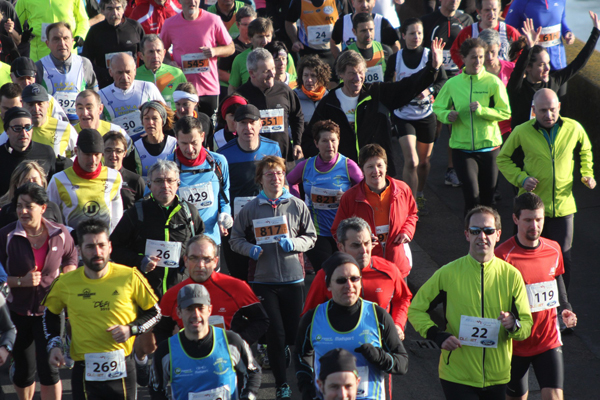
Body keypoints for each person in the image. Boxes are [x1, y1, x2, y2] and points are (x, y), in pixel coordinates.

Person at [408, 205, 533, 400]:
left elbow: (526, 325)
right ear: (467, 235)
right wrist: (437, 335)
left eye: (488, 231)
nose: (482, 236)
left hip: (498, 377)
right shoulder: (448, 273)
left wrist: (513, 324)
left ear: (498, 234)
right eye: (475, 231)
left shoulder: (512, 276)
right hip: (457, 376)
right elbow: (416, 309)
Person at [43, 218, 161, 400]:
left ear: (110, 247)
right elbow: (50, 313)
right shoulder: (65, 283)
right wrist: (54, 345)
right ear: (79, 250)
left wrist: (131, 329)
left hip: (122, 366)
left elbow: (155, 312)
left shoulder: (130, 276)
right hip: (84, 369)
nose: (97, 252)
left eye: (101, 245)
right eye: (90, 247)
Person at [230, 155, 317, 399]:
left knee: (291, 333)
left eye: (279, 173)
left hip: (293, 279)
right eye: (270, 174)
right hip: (263, 281)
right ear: (260, 180)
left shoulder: (297, 205)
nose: (276, 178)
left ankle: (281, 351)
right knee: (276, 335)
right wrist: (250, 249)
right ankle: (281, 384)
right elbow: (235, 239)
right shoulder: (251, 208)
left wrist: (296, 244)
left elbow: (311, 236)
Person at [497, 88, 594, 292]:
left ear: (559, 107)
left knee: (562, 259)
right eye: (542, 110)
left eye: (552, 109)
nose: (548, 115)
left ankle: (562, 307)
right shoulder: (522, 131)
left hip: (563, 207)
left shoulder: (574, 128)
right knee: (524, 257)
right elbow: (502, 158)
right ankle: (520, 299)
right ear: (534, 110)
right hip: (530, 208)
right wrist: (522, 179)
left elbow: (585, 148)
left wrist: (587, 172)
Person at [303, 42, 444, 177]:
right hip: (343, 174)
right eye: (352, 73)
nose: (357, 78)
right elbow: (309, 139)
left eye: (360, 72)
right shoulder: (329, 103)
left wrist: (432, 68)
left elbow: (408, 86)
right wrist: (325, 162)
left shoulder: (377, 93)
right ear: (341, 74)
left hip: (376, 172)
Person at [495, 193, 576, 400]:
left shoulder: (553, 249)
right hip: (516, 344)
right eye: (528, 220)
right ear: (515, 219)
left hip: (548, 339)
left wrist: (565, 307)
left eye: (539, 219)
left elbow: (557, 282)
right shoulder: (502, 255)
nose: (535, 225)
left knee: (555, 396)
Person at [295, 252, 409, 400]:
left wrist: (380, 357)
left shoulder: (378, 316)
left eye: (355, 279)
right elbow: (301, 354)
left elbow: (403, 363)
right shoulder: (313, 318)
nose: (349, 285)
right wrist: (306, 386)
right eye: (341, 280)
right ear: (328, 285)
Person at [0, 183, 77, 400]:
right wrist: (19, 281)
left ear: (43, 207)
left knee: (50, 370)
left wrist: (68, 274)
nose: (22, 211)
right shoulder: (5, 236)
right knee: (24, 372)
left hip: (49, 313)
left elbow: (71, 255)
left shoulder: (59, 233)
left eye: (29, 206)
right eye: (19, 206)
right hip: (17, 313)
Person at [433, 38, 510, 214]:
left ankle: (490, 236)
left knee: (488, 200)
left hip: (489, 147)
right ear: (464, 59)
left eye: (481, 57)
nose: (478, 61)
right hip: (462, 149)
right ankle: (471, 236)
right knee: (472, 198)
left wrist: (483, 111)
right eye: (473, 57)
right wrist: (447, 115)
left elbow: (505, 112)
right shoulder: (453, 83)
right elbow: (437, 107)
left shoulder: (493, 82)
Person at [303, 216, 412, 339]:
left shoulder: (389, 270)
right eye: (356, 245)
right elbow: (309, 317)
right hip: (340, 347)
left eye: (367, 243)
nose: (364, 251)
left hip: (381, 345)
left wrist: (397, 324)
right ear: (341, 247)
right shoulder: (326, 275)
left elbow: (403, 298)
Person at [110, 159, 204, 297]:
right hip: (144, 293)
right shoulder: (137, 212)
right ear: (150, 185)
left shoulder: (189, 212)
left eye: (170, 180)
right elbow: (114, 248)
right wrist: (139, 261)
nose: (165, 186)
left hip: (181, 293)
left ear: (178, 184)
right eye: (159, 181)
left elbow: (200, 245)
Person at [150, 284, 262, 400]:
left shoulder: (231, 341)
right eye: (189, 309)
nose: (196, 315)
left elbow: (253, 372)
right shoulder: (166, 351)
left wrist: (248, 396)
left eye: (200, 308)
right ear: (179, 312)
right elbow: (156, 388)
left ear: (209, 310)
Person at [157, 234, 269, 348]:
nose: (200, 265)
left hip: (229, 359)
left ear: (215, 262)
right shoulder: (171, 295)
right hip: (188, 361)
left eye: (206, 259)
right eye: (194, 258)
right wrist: (175, 349)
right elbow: (161, 331)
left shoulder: (236, 287)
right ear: (185, 260)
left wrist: (238, 344)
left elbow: (261, 320)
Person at [386, 17, 448, 215]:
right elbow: (388, 85)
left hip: (425, 115)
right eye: (411, 33)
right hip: (403, 115)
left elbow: (442, 83)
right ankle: (409, 207)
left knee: (423, 163)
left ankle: (419, 193)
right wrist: (400, 93)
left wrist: (429, 91)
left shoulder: (431, 55)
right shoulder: (395, 58)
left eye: (419, 33)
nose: (416, 37)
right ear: (403, 35)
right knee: (411, 161)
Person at [217, 104, 282, 281]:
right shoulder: (223, 155)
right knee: (239, 275)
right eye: (243, 123)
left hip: (266, 219)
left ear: (261, 124)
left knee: (267, 273)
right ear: (235, 127)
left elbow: (282, 184)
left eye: (252, 122)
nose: (248, 127)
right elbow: (219, 191)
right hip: (236, 224)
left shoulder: (273, 148)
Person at [331, 144, 417, 278]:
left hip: (397, 265)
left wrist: (407, 231)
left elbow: (412, 214)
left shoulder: (403, 189)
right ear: (362, 170)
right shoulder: (350, 197)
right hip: (365, 268)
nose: (376, 171)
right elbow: (337, 230)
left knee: (401, 299)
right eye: (370, 167)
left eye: (379, 165)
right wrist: (357, 245)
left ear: (386, 166)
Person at [287, 120, 363, 270]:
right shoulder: (306, 165)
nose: (330, 145)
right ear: (316, 143)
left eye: (333, 140)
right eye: (324, 141)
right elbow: (289, 182)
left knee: (344, 271)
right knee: (325, 272)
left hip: (344, 231)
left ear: (338, 141)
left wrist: (350, 197)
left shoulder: (348, 165)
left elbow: (364, 189)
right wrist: (298, 201)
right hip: (317, 230)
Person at [506, 13, 599, 129]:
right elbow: (518, 70)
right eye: (541, 65)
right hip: (523, 144)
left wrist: (596, 32)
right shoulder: (518, 89)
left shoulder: (553, 81)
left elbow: (578, 63)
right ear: (528, 67)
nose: (547, 68)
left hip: (547, 143)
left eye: (548, 63)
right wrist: (529, 47)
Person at [421, 0, 474, 187]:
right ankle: (426, 158)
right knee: (437, 125)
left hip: (457, 78)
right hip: (436, 78)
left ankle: (451, 169)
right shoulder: (428, 21)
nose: (453, 1)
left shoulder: (466, 20)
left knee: (454, 124)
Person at [160, 0, 234, 119]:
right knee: (184, 130)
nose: (192, 2)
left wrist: (215, 51)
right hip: (182, 89)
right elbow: (160, 50)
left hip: (208, 89)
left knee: (209, 130)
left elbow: (231, 48)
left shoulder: (213, 20)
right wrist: (169, 63)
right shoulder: (170, 24)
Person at [168, 115, 231, 246]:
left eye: (194, 142)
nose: (189, 149)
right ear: (176, 139)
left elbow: (224, 193)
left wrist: (225, 213)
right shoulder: (167, 165)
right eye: (184, 143)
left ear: (202, 137)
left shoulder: (219, 162)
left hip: (210, 241)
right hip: (179, 242)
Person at [47, 128, 123, 232]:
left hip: (103, 245)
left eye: (97, 154)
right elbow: (50, 220)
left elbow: (117, 219)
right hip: (73, 245)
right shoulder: (58, 180)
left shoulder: (114, 177)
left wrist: (111, 238)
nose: (93, 160)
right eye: (87, 154)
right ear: (76, 151)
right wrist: (72, 235)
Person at [236, 48, 304, 161]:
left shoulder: (285, 90)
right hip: (254, 162)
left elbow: (297, 117)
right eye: (266, 71)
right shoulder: (240, 96)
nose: (272, 74)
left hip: (284, 160)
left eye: (273, 69)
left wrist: (297, 143)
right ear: (252, 73)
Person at [35, 22, 99, 123]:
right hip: (52, 125)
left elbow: (94, 93)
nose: (62, 43)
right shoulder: (39, 66)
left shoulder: (84, 63)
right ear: (47, 43)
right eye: (56, 39)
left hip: (80, 123)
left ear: (72, 41)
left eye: (66, 38)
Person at [99, 52, 165, 138]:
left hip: (145, 143)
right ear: (111, 72)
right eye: (119, 73)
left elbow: (165, 115)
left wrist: (153, 132)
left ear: (135, 70)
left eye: (128, 72)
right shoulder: (101, 95)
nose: (125, 77)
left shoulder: (148, 88)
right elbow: (98, 125)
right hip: (117, 147)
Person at [82, 0, 146, 88]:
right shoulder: (95, 32)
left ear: (123, 9)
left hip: (132, 83)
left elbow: (145, 54)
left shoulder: (135, 27)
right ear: (102, 11)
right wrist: (104, 73)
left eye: (118, 8)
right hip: (105, 84)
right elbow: (86, 60)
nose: (115, 12)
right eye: (110, 9)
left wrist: (138, 72)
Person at [228, 17, 298, 95]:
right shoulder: (240, 59)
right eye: (260, 37)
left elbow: (293, 82)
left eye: (268, 36)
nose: (265, 41)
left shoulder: (284, 57)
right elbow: (233, 88)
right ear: (251, 38)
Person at [0, 107, 55, 196]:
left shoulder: (46, 152)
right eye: (17, 128)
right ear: (7, 130)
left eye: (28, 127)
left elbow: (53, 190)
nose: (24, 133)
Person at [450, 0, 521, 68]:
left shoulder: (510, 31)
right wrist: (466, 67)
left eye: (494, 9)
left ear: (499, 10)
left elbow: (521, 52)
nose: (491, 14)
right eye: (487, 10)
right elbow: (455, 51)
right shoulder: (469, 32)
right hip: (478, 78)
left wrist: (511, 68)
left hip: (503, 78)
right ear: (479, 12)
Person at [505, 0, 572, 72]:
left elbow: (561, 18)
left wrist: (567, 32)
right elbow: (508, 31)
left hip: (558, 62)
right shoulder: (520, 2)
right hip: (534, 65)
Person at [14, 0, 89, 61]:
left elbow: (83, 20)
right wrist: (23, 35)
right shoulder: (24, 1)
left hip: (68, 55)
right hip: (39, 56)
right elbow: (15, 23)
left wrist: (81, 35)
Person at [21, 83, 79, 162]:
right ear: (22, 105)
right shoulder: (16, 128)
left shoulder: (64, 127)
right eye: (31, 104)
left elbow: (82, 154)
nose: (36, 109)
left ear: (47, 104)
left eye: (40, 104)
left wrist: (69, 163)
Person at [330, 0, 401, 59]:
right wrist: (340, 61)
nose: (364, 5)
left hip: (376, 69)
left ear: (374, 2)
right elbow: (333, 43)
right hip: (354, 72)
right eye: (360, 1)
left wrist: (391, 64)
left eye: (368, 1)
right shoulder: (343, 22)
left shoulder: (382, 22)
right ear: (353, 3)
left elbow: (395, 45)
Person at [0, 161, 63, 227]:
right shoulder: (7, 211)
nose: (31, 185)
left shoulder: (52, 207)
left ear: (42, 183)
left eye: (35, 181)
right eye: (26, 182)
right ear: (17, 185)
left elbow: (60, 234)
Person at [284, 0, 341, 70]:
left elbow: (346, 20)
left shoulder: (337, 1)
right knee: (310, 79)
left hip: (332, 51)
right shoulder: (299, 2)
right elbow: (289, 22)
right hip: (308, 51)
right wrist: (295, 41)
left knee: (334, 80)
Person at [478, 28, 513, 138]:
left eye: (492, 52)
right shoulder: (472, 71)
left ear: (499, 46)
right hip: (483, 127)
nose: (489, 57)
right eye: (485, 52)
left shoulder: (512, 69)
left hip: (507, 127)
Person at [136, 35, 188, 111]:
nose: (155, 56)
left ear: (164, 53)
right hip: (147, 120)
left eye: (158, 51)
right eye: (151, 52)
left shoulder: (177, 73)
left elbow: (188, 100)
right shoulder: (134, 75)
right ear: (141, 55)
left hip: (173, 119)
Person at [10, 57, 69, 122]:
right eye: (21, 79)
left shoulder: (48, 99)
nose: (26, 83)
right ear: (11, 77)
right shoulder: (5, 100)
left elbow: (63, 125)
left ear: (35, 76)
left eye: (29, 78)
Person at [217, 5, 256, 97]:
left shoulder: (260, 45)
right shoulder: (231, 47)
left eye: (252, 24)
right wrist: (240, 81)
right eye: (245, 25)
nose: (249, 28)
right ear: (238, 24)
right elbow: (221, 73)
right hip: (237, 92)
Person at [133, 100, 177, 178]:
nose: (150, 122)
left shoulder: (174, 144)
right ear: (142, 121)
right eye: (146, 118)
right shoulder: (135, 147)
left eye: (155, 118)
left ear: (163, 121)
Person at [103, 132, 144, 210]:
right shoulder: (95, 179)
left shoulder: (135, 180)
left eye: (118, 151)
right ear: (102, 152)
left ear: (124, 153)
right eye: (108, 150)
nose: (113, 154)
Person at [346, 12, 390, 84]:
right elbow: (336, 82)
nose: (368, 34)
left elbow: (391, 79)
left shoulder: (385, 51)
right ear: (354, 31)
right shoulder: (346, 55)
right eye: (363, 31)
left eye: (371, 29)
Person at [294, 55, 331, 129]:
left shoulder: (329, 98)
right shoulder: (293, 97)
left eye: (313, 76)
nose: (309, 80)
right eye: (305, 75)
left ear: (321, 77)